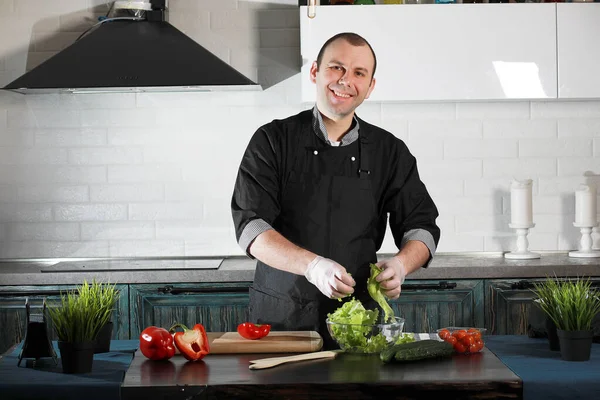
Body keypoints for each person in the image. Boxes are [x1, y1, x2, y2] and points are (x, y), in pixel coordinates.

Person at [231, 32, 440, 349]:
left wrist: (401, 265)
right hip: (281, 322)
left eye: (359, 73)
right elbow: (251, 228)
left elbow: (421, 226)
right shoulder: (272, 141)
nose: (345, 80)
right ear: (315, 72)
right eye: (336, 67)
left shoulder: (390, 151)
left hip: (358, 324)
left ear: (370, 87)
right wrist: (312, 266)